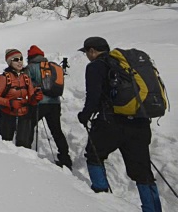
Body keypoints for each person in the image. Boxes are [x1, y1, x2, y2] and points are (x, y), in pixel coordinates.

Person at [77, 37, 162, 211]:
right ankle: (152, 209)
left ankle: (100, 197)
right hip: (140, 122)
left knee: (94, 154)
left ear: (92, 51)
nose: (87, 56)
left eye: (87, 52)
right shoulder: (126, 66)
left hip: (111, 122)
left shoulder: (95, 66)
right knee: (143, 170)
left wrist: (84, 116)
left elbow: (93, 96)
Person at [26, 45, 72, 169]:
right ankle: (65, 158)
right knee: (56, 130)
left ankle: (25, 152)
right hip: (55, 103)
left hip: (39, 103)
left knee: (29, 125)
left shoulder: (31, 67)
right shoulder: (52, 67)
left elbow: (26, 85)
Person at [0, 49, 43, 148]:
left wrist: (36, 98)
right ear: (10, 62)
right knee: (5, 145)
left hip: (24, 116)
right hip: (7, 116)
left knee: (24, 147)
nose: (20, 62)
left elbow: (31, 98)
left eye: (21, 59)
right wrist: (10, 103)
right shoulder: (3, 78)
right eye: (16, 59)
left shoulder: (26, 78)